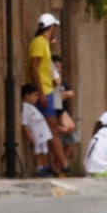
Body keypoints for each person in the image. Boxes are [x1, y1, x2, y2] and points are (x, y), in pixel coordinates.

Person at [27, 13, 68, 174]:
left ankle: (59, 164)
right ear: (52, 27)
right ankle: (63, 163)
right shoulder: (39, 43)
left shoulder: (43, 43)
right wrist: (41, 93)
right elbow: (34, 68)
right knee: (52, 130)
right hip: (44, 91)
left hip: (48, 90)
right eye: (55, 27)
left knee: (51, 130)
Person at [20, 82, 55, 177]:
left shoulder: (32, 107)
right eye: (34, 95)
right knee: (38, 152)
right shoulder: (25, 108)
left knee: (44, 151)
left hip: (42, 133)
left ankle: (45, 167)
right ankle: (40, 169)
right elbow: (25, 124)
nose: (36, 98)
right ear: (27, 95)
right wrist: (30, 137)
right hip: (36, 135)